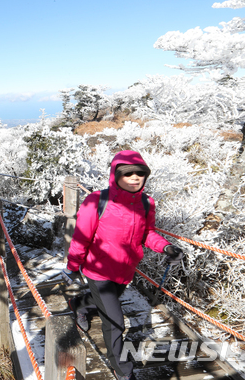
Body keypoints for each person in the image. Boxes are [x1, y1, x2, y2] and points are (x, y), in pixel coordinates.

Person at [62, 150, 183, 380]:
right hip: (98, 272)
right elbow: (81, 237)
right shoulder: (97, 200)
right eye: (128, 174)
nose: (135, 178)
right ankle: (122, 370)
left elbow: (147, 233)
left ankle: (79, 304)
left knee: (107, 304)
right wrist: (72, 266)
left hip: (125, 271)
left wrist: (166, 247)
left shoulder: (147, 203)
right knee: (115, 322)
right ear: (115, 176)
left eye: (140, 173)